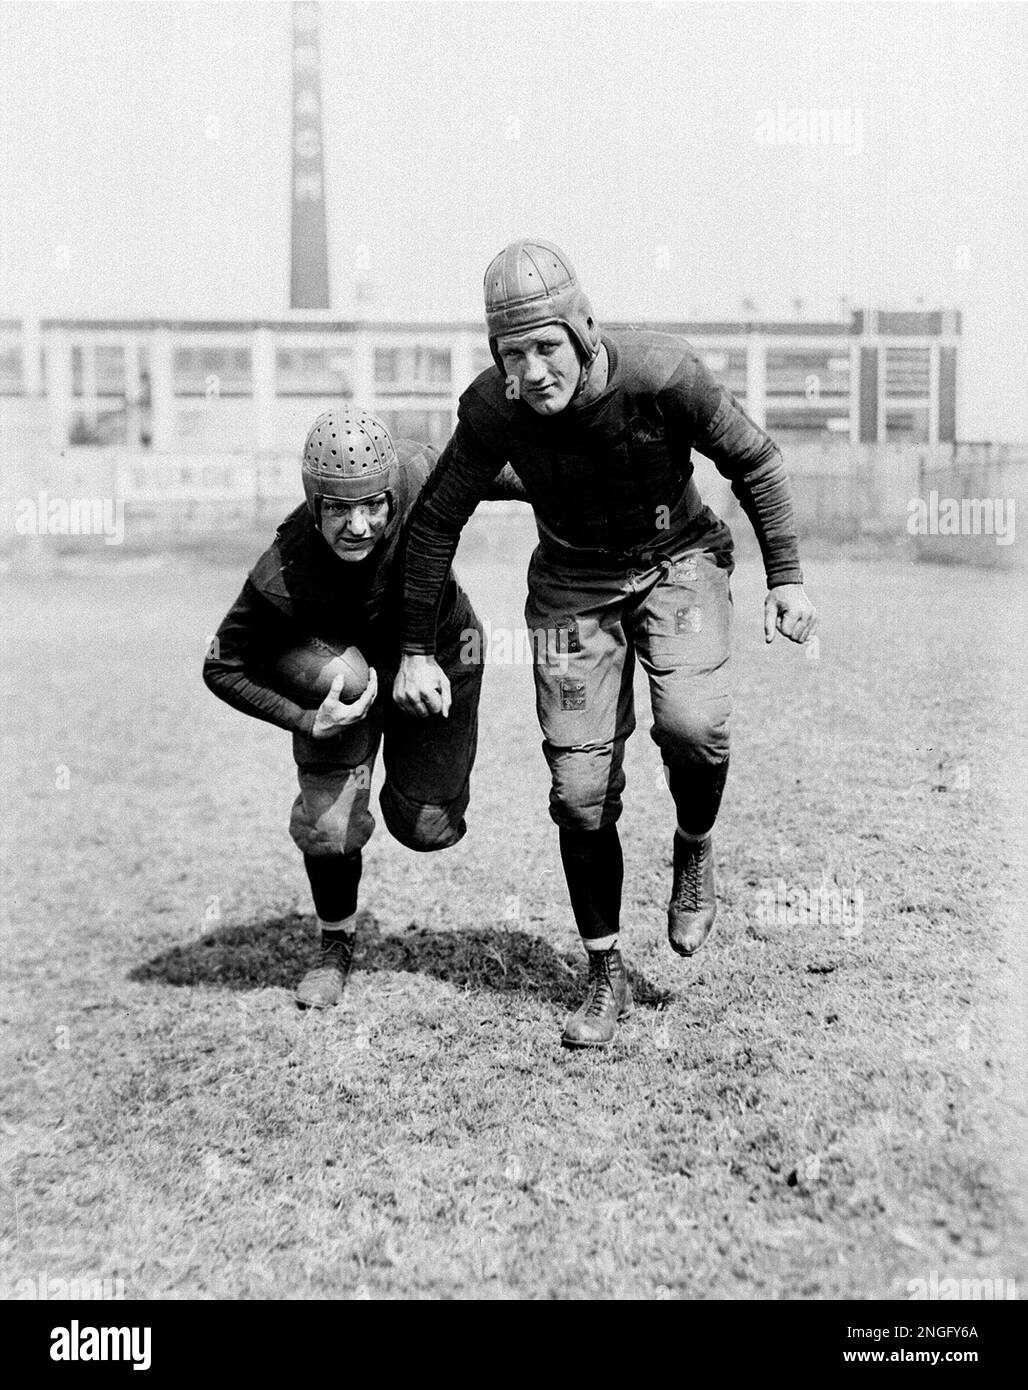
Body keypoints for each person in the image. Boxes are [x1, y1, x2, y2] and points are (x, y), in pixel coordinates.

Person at [395, 239, 819, 1049]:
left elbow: (756, 462)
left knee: (694, 727)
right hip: (572, 582)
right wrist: (416, 648)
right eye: (512, 354)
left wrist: (787, 579)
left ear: (585, 329)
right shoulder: (492, 408)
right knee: (580, 790)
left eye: (547, 345)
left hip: (679, 559)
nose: (533, 371)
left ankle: (693, 847)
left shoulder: (662, 373)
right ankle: (603, 969)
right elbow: (435, 523)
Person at [203, 405, 523, 1009]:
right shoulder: (284, 568)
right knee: (328, 826)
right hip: (347, 686)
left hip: (438, 655)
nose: (359, 525)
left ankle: (412, 784)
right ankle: (334, 943)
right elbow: (221, 665)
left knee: (428, 828)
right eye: (338, 508)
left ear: (392, 494)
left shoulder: (418, 473)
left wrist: (573, 489)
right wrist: (306, 720)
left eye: (373, 504)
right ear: (313, 501)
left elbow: (499, 469)